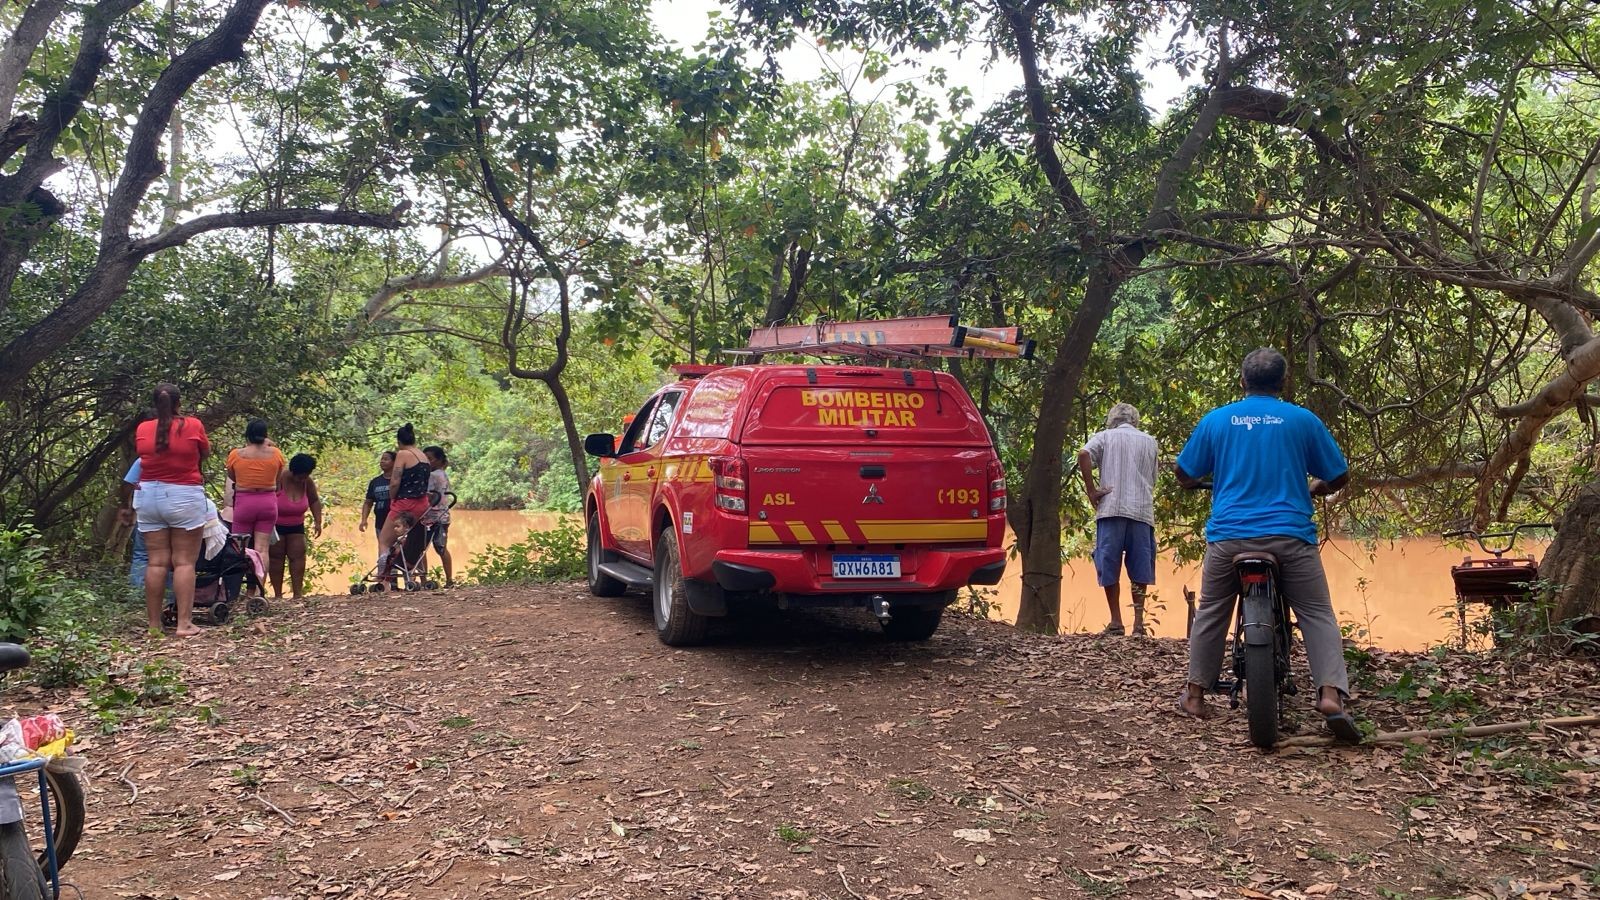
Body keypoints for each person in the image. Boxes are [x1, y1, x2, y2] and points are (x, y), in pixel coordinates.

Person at [1173, 347, 1359, 742]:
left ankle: (1195, 695)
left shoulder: (1217, 420)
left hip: (1229, 538)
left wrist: (1197, 482)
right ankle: (1330, 695)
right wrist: (1317, 486)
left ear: (1242, 381)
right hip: (1290, 537)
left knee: (1212, 611)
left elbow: (1184, 473)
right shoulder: (1302, 420)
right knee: (1316, 613)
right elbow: (1340, 475)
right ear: (1283, 382)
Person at [134, 383, 209, 637]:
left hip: (148, 496)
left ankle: (154, 625)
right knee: (184, 561)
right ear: (178, 403)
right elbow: (204, 453)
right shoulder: (193, 425)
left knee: (156, 562)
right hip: (183, 494)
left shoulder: (143, 428)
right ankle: (184, 624)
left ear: (155, 404)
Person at [1077, 402, 1158, 636]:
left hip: (1111, 509)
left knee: (1108, 563)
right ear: (1135, 420)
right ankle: (1139, 623)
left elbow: (1083, 454)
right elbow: (1152, 478)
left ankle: (1116, 621)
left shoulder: (1105, 436)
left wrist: (1091, 491)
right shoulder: (1149, 441)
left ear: (1112, 420)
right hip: (1141, 510)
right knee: (1140, 565)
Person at [377, 424, 431, 583]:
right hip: (422, 504)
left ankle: (384, 580)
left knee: (384, 541)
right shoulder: (423, 456)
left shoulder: (403, 454)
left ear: (399, 441)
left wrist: (392, 498)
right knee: (411, 540)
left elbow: (395, 481)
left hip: (405, 503)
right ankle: (416, 576)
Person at [225, 419, 285, 557]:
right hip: (268, 502)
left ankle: (239, 571)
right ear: (265, 435)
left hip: (244, 502)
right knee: (262, 549)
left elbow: (233, 477)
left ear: (247, 435)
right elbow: (278, 478)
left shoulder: (236, 455)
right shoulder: (276, 454)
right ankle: (260, 572)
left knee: (240, 548)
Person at [269, 453, 323, 599]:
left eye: (305, 476)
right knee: (276, 558)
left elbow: (314, 500)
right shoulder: (279, 479)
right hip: (276, 524)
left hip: (297, 525)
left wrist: (318, 521)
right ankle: (278, 595)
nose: (302, 480)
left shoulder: (307, 482)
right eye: (299, 477)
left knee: (298, 556)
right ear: (293, 471)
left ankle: (297, 594)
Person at [421, 445, 454, 587]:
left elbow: (428, 495)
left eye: (430, 459)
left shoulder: (432, 475)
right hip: (443, 515)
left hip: (432, 516)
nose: (427, 462)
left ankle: (424, 580)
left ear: (439, 460)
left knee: (421, 549)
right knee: (441, 548)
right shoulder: (443, 473)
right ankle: (449, 579)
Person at [359, 451, 396, 553]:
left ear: (394, 462)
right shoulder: (375, 482)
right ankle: (383, 564)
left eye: (386, 459)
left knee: (397, 550)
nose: (382, 461)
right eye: (382, 459)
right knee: (383, 550)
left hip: (396, 522)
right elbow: (368, 502)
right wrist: (364, 520)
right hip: (380, 522)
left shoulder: (398, 480)